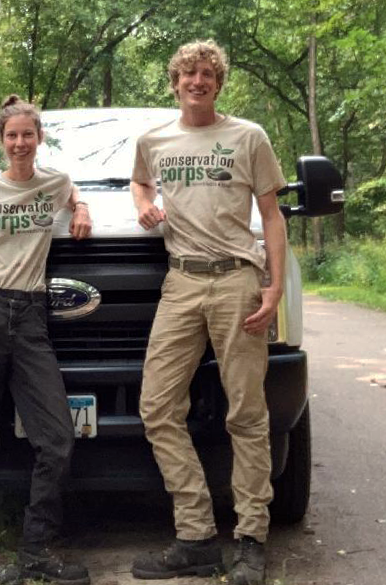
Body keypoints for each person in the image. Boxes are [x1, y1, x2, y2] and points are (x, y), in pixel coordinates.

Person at [129, 40, 287, 585]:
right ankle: (196, 535)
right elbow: (140, 179)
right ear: (174, 81)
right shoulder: (154, 140)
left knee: (245, 413)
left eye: (207, 74)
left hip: (237, 282)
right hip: (181, 282)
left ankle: (250, 539)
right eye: (188, 73)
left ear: (218, 83)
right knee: (157, 407)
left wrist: (274, 287)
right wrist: (143, 204)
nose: (197, 81)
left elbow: (272, 215)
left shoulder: (249, 137)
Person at [0, 95, 93, 585]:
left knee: (55, 438)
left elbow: (72, 192)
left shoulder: (54, 182)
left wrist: (82, 206)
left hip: (32, 316)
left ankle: (36, 548)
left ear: (39, 137)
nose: (20, 143)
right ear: (1, 140)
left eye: (28, 134)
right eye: (11, 135)